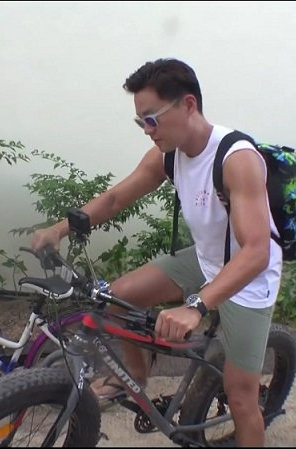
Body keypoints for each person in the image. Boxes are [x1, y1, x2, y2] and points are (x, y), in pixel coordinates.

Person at [30, 58, 282, 447]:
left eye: (152, 119)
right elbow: (115, 199)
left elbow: (256, 252)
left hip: (248, 278)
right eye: (140, 122)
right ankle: (134, 378)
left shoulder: (237, 159)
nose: (148, 131)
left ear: (188, 105)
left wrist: (196, 306)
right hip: (206, 259)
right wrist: (59, 229)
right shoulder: (168, 154)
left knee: (241, 398)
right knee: (118, 298)